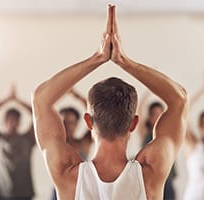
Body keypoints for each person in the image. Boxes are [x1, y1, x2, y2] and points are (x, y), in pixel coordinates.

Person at [32, 5, 187, 200]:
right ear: (133, 123)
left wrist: (98, 57)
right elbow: (179, 99)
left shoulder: (67, 172)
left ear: (88, 121)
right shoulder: (151, 171)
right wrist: (124, 61)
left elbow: (41, 98)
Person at [0, 85, 35, 200]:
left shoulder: (28, 139)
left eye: (15, 120)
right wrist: (7, 99)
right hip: (0, 194)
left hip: (24, 194)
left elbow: (35, 112)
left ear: (19, 122)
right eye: (10, 119)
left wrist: (17, 100)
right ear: (4, 121)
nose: (12, 122)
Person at [137, 92, 177, 199]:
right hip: (150, 181)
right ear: (150, 117)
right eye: (155, 114)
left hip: (167, 180)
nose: (158, 118)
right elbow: (139, 110)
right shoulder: (145, 132)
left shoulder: (169, 134)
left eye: (160, 114)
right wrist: (148, 92)